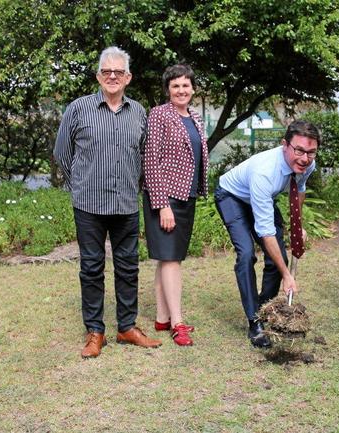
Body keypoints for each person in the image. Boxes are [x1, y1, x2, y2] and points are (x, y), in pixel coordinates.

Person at [54, 47, 162, 358]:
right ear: (98, 75)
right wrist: (81, 184)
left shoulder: (139, 112)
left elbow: (144, 156)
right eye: (106, 71)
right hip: (88, 205)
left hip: (126, 203)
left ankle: (127, 327)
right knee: (91, 268)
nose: (112, 76)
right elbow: (62, 154)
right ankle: (95, 332)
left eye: (118, 72)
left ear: (128, 77)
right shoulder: (78, 109)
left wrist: (134, 184)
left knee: (128, 267)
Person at [214, 120, 320, 348]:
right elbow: (266, 232)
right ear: (285, 145)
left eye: (311, 152)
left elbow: (299, 190)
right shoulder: (265, 172)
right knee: (246, 255)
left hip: (260, 199)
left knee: (276, 257)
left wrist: (297, 225)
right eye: (299, 150)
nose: (304, 158)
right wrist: (287, 276)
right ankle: (255, 324)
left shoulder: (307, 163)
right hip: (231, 196)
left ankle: (264, 309)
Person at [143, 64, 209, 347]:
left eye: (185, 85)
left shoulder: (194, 117)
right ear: (167, 90)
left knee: (168, 258)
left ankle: (162, 317)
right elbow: (150, 160)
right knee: (171, 259)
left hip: (187, 196)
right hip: (166, 197)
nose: (181, 90)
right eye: (175, 86)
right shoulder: (159, 114)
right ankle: (178, 323)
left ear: (193, 88)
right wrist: (162, 205)